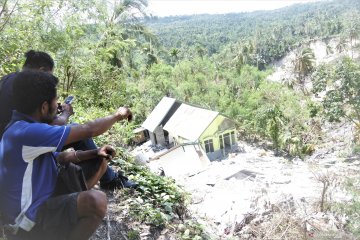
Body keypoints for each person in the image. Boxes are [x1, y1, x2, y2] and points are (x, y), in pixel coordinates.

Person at [0, 71, 133, 240]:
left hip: (40, 198)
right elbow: (88, 130)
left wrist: (94, 152)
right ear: (44, 107)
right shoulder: (27, 132)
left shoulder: (21, 126)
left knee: (97, 163)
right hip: (26, 223)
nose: (58, 106)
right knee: (96, 201)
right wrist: (118, 115)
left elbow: (59, 158)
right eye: (56, 102)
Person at [0, 50, 135, 190]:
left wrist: (50, 111)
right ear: (41, 71)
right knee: (78, 133)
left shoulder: (12, 81)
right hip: (24, 150)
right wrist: (117, 115)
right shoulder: (25, 93)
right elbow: (88, 129)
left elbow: (33, 118)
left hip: (14, 147)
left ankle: (105, 176)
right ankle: (109, 180)